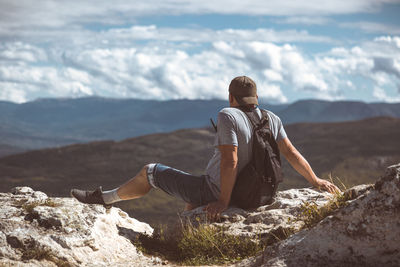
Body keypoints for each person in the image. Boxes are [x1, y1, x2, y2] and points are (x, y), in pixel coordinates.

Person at [71, 76, 339, 221]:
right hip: (260, 194)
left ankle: (104, 199)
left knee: (150, 171)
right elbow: (291, 152)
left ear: (231, 97)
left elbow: (229, 162)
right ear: (256, 99)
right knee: (193, 194)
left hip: (223, 192)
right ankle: (182, 233)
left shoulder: (227, 115)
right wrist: (315, 180)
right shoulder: (272, 118)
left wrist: (222, 201)